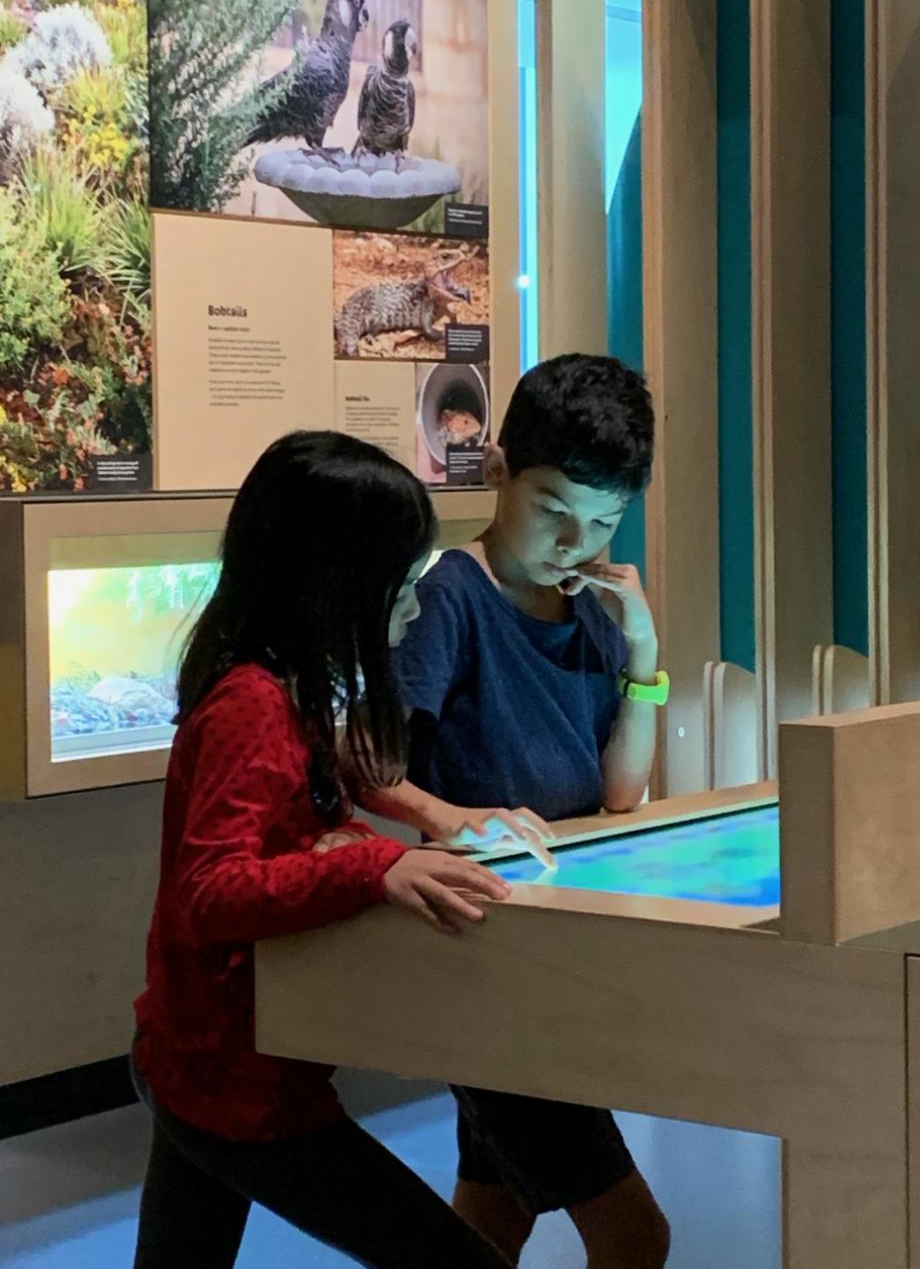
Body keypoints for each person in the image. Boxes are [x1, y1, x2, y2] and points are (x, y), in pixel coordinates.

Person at [130, 431, 516, 1269]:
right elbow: (213, 890)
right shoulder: (250, 701)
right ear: (340, 578)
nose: (407, 598)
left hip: (204, 1057)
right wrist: (377, 863)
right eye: (398, 578)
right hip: (234, 1076)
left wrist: (430, 814)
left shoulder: (272, 684)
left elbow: (310, 769)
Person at [361, 355, 672, 1267]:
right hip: (488, 959)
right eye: (554, 511)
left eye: (605, 521)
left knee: (491, 1218)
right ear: (499, 471)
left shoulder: (594, 612)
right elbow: (366, 761)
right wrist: (450, 815)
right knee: (633, 1234)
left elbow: (622, 793)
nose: (577, 542)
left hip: (553, 947)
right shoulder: (451, 595)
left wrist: (644, 655)